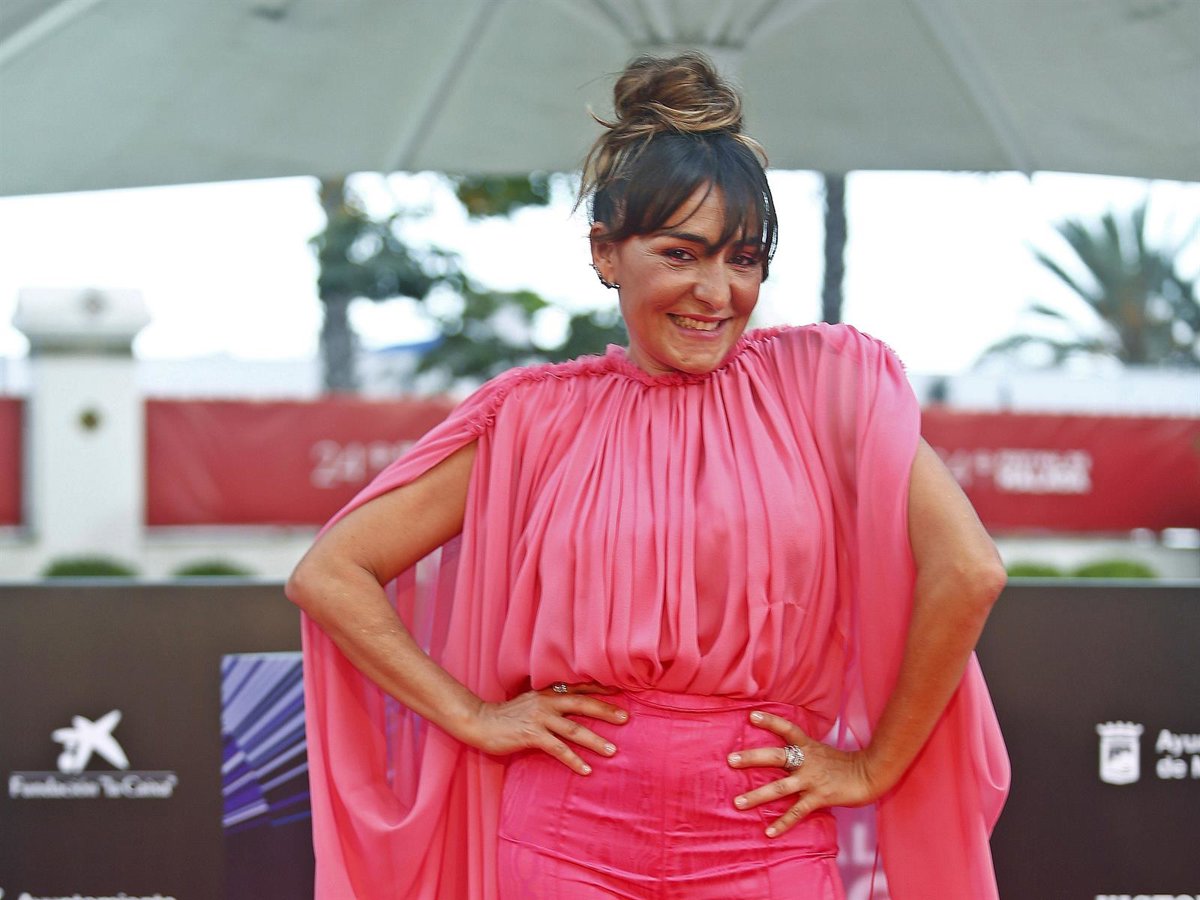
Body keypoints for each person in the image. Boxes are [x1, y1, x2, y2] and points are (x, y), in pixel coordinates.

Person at [288, 53, 1009, 900]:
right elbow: (330, 572)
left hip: (764, 842)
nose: (716, 291)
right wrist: (474, 717)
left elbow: (970, 570)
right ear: (606, 253)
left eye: (744, 258)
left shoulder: (826, 386)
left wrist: (874, 766)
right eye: (680, 253)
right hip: (563, 845)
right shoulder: (534, 417)